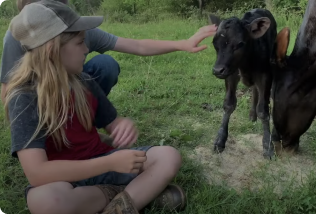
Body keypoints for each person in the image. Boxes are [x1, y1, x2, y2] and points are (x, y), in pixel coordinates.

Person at [4, 1, 214, 214]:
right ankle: (129, 194)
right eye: (80, 43)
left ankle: (117, 204)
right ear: (52, 50)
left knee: (169, 157)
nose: (87, 49)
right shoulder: (24, 98)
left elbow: (113, 124)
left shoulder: (84, 82)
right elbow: (37, 173)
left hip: (101, 161)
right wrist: (110, 163)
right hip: (62, 179)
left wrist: (121, 126)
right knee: (45, 202)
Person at [1, 0, 217, 101]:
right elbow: (8, 88)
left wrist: (182, 44)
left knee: (105, 65)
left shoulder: (76, 30)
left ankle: (86, 119)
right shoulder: (17, 35)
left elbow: (137, 45)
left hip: (68, 87)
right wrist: (24, 126)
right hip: (37, 97)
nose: (86, 47)